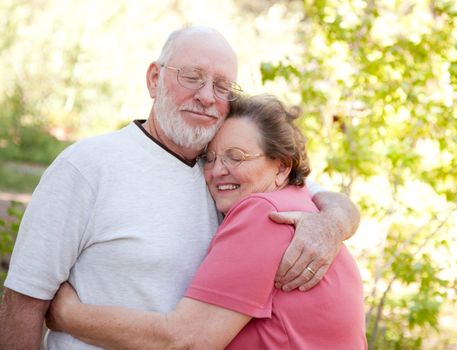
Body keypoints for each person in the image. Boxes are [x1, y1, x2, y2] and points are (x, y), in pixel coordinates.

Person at [0, 26, 360, 350]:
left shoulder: (232, 173)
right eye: (192, 77)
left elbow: (322, 197)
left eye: (222, 87)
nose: (206, 96)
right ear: (154, 78)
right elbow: (23, 303)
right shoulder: (86, 167)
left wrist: (331, 223)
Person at [46, 94, 367, 349]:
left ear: (282, 167)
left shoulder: (264, 212)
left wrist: (69, 315)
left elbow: (187, 341)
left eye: (235, 156)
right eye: (209, 157)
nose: (217, 170)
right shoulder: (301, 203)